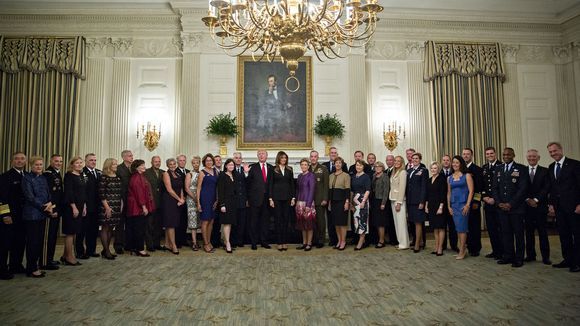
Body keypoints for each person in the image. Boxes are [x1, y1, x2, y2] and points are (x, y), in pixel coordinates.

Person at [547, 142, 580, 273]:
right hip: (559, 208)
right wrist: (551, 204)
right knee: (564, 235)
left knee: (577, 235)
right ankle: (567, 259)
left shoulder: (575, 164)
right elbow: (552, 188)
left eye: (554, 151)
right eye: (550, 152)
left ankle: (577, 262)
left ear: (561, 149)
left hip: (574, 207)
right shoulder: (551, 167)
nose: (553, 153)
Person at [492, 148, 529, 268]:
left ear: (513, 155)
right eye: (504, 154)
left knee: (518, 234)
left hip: (516, 208)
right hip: (502, 208)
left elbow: (522, 189)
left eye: (508, 154)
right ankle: (508, 256)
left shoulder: (521, 168)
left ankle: (519, 258)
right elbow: (494, 188)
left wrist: (511, 204)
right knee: (505, 233)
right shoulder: (498, 168)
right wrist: (499, 203)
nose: (506, 156)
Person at [22, 157, 55, 278]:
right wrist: (43, 207)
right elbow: (29, 197)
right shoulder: (27, 178)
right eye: (36, 164)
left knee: (39, 242)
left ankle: (35, 266)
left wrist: (50, 203)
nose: (39, 166)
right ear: (31, 165)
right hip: (31, 215)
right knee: (32, 243)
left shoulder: (43, 178)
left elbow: (48, 193)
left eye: (41, 164)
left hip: (42, 214)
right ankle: (31, 269)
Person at [0, 152, 27, 276]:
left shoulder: (27, 176)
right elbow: (2, 199)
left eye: (22, 159)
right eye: (17, 159)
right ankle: (2, 269)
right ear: (12, 161)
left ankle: (16, 265)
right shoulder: (5, 177)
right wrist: (5, 215)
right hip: (10, 216)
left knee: (20, 242)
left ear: (25, 161)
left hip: (23, 216)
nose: (19, 161)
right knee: (5, 243)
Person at [524, 149, 551, 265]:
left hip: (540, 207)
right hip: (526, 207)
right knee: (529, 233)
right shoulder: (523, 171)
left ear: (538, 158)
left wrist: (536, 200)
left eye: (534, 157)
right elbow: (520, 188)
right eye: (529, 157)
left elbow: (546, 188)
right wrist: (527, 199)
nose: (531, 158)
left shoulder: (545, 171)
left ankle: (545, 257)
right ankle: (530, 255)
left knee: (542, 233)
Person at [125, 160, 154, 257]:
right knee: (139, 229)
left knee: (136, 228)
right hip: (137, 208)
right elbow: (139, 194)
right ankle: (140, 249)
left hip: (136, 207)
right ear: (137, 167)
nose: (144, 166)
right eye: (142, 165)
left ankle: (134, 249)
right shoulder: (137, 178)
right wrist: (144, 207)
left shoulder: (140, 176)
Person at [448, 155, 475, 260]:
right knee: (458, 229)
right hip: (454, 205)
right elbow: (448, 193)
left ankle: (463, 250)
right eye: (453, 162)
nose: (454, 164)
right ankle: (462, 249)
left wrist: (468, 205)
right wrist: (449, 206)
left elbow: (471, 191)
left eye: (457, 162)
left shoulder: (467, 175)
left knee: (462, 228)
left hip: (463, 205)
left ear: (461, 164)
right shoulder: (449, 177)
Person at [246, 149, 274, 250]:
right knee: (254, 222)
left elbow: (272, 184)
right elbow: (248, 184)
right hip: (255, 199)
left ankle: (264, 241)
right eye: (260, 154)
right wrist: (246, 173)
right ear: (257, 156)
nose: (261, 155)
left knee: (265, 222)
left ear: (267, 156)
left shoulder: (271, 168)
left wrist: (271, 198)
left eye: (263, 154)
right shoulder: (252, 167)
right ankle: (254, 242)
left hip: (267, 200)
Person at [62, 156, 87, 266]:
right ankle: (69, 257)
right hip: (71, 207)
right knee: (70, 233)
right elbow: (69, 192)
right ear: (72, 164)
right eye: (77, 163)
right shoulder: (69, 176)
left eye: (81, 163)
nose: (79, 164)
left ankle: (64, 255)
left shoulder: (81, 175)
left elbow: (83, 192)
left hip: (81, 206)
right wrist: (74, 207)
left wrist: (84, 206)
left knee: (75, 231)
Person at [269, 151, 295, 251]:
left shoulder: (290, 169)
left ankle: (284, 242)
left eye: (285, 158)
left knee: (286, 220)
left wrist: (293, 198)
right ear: (278, 158)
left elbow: (292, 184)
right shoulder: (273, 169)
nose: (284, 159)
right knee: (278, 220)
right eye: (282, 158)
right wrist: (270, 198)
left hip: (287, 198)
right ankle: (279, 242)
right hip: (276, 199)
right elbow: (270, 184)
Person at [41, 154, 63, 270]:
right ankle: (45, 262)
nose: (59, 163)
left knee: (53, 236)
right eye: (56, 161)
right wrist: (52, 209)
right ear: (50, 161)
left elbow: (58, 194)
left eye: (60, 161)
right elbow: (48, 194)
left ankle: (50, 258)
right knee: (47, 238)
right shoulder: (48, 174)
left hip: (56, 210)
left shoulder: (56, 173)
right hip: (50, 210)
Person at [76, 153, 101, 259]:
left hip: (96, 207)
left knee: (94, 230)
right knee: (82, 230)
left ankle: (91, 250)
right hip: (85, 206)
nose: (93, 162)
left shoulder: (99, 172)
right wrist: (84, 204)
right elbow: (81, 191)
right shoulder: (81, 173)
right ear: (85, 161)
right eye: (91, 160)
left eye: (95, 160)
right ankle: (80, 252)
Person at [98, 158, 123, 260]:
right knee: (105, 227)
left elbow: (120, 192)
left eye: (116, 164)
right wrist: (107, 207)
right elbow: (101, 193)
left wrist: (121, 203)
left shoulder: (118, 177)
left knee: (111, 228)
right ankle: (106, 251)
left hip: (116, 205)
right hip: (106, 206)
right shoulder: (104, 177)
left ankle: (105, 249)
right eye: (114, 164)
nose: (116, 166)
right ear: (108, 165)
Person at [481, 147, 502, 259]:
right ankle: (495, 251)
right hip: (487, 203)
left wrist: (495, 198)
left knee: (501, 229)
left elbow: (503, 186)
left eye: (491, 153)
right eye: (487, 154)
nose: (489, 155)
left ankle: (503, 251)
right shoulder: (484, 168)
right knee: (491, 228)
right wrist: (484, 197)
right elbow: (482, 185)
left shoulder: (501, 166)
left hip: (498, 203)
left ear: (495, 153)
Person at [161, 158, 185, 255]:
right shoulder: (166, 174)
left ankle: (167, 244)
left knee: (171, 223)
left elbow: (181, 188)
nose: (172, 165)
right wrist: (179, 199)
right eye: (170, 164)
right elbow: (169, 189)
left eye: (174, 164)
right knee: (171, 224)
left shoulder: (178, 174)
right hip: (169, 201)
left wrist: (182, 199)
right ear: (167, 165)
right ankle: (173, 246)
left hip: (178, 201)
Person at [462, 148, 483, 257]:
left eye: (468, 154)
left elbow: (479, 188)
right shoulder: (460, 169)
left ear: (472, 155)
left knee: (474, 226)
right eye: (464, 154)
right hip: (462, 202)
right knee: (465, 226)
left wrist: (476, 201)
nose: (465, 156)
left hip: (473, 203)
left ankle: (475, 248)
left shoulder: (477, 169)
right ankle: (466, 246)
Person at [322, 146, 345, 246]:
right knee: (330, 219)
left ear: (337, 154)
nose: (333, 154)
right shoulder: (324, 165)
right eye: (331, 153)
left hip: (339, 198)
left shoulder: (343, 165)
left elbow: (345, 180)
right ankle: (333, 240)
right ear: (329, 154)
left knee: (339, 219)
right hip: (328, 196)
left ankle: (339, 240)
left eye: (335, 153)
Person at [197, 153, 219, 253]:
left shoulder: (215, 171)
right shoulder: (202, 172)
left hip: (213, 199)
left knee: (211, 221)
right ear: (204, 162)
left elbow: (218, 187)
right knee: (205, 221)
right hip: (205, 199)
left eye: (210, 160)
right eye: (207, 161)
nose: (209, 162)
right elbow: (198, 188)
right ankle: (205, 244)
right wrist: (198, 202)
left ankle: (209, 242)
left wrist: (217, 199)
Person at [406, 153, 428, 252]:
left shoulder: (423, 170)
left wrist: (422, 201)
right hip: (410, 201)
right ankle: (419, 241)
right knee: (413, 222)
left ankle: (417, 245)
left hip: (418, 201)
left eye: (416, 158)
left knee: (418, 223)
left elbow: (424, 187)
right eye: (413, 158)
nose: (414, 160)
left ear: (420, 159)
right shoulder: (409, 171)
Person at [328, 157, 350, 250]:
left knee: (342, 223)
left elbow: (347, 190)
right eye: (336, 163)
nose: (337, 164)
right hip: (333, 202)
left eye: (339, 163)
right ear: (334, 164)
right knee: (336, 223)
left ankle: (343, 241)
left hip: (342, 201)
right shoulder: (331, 175)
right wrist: (329, 202)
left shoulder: (346, 175)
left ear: (342, 164)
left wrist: (347, 202)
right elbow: (329, 191)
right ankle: (339, 240)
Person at [426, 162, 447, 256]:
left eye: (435, 168)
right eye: (432, 168)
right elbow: (427, 194)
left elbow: (443, 194)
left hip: (440, 206)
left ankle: (440, 248)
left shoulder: (442, 179)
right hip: (431, 206)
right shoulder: (429, 179)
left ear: (438, 169)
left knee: (441, 227)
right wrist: (426, 206)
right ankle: (436, 246)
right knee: (435, 228)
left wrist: (441, 207)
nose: (433, 170)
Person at [216, 159, 238, 253]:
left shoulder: (235, 175)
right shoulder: (222, 175)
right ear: (226, 166)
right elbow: (220, 191)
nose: (231, 166)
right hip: (225, 203)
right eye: (229, 165)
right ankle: (228, 243)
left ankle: (226, 241)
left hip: (233, 203)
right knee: (226, 223)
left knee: (230, 222)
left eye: (232, 165)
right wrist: (222, 205)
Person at [143, 156, 165, 252]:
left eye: (159, 161)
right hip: (150, 203)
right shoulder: (146, 173)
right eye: (155, 161)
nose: (157, 163)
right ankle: (149, 245)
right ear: (151, 162)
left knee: (158, 225)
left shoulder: (163, 173)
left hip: (161, 203)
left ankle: (157, 244)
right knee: (149, 225)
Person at [114, 149, 133, 255]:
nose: (132, 157)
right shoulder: (119, 169)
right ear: (124, 157)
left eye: (132, 155)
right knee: (120, 224)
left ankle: (128, 244)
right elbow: (117, 186)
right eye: (130, 156)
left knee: (130, 223)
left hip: (132, 200)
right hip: (122, 200)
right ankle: (118, 245)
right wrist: (119, 200)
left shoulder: (133, 168)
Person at [309, 150, 329, 248]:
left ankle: (321, 240)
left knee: (320, 221)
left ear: (318, 158)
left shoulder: (323, 169)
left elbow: (326, 185)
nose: (313, 158)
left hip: (319, 199)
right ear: (310, 158)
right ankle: (313, 240)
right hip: (309, 200)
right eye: (312, 156)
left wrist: (325, 198)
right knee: (311, 221)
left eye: (315, 156)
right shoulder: (307, 168)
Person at [296, 158, 316, 251]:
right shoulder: (299, 176)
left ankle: (309, 243)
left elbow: (312, 190)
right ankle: (304, 243)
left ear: (308, 166)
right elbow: (298, 190)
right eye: (302, 164)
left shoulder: (311, 176)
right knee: (302, 224)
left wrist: (308, 205)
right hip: (300, 203)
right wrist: (297, 202)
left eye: (305, 164)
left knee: (309, 224)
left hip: (308, 202)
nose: (303, 166)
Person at [390, 156, 409, 250]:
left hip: (399, 201)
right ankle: (400, 242)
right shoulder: (394, 172)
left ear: (402, 162)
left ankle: (404, 244)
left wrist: (399, 202)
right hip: (393, 199)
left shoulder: (403, 172)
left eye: (399, 161)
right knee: (397, 223)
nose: (396, 162)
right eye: (395, 161)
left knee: (401, 223)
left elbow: (402, 188)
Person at [440, 154, 457, 251]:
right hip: (442, 202)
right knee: (442, 224)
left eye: (447, 160)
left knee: (452, 225)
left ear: (450, 162)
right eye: (444, 160)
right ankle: (443, 245)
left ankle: (454, 245)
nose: (446, 162)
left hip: (452, 202)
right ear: (442, 162)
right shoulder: (438, 172)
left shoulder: (455, 172)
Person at [371, 161, 390, 248]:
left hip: (381, 201)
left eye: (379, 167)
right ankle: (380, 239)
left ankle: (382, 241)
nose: (377, 168)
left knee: (381, 222)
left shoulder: (385, 176)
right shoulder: (374, 176)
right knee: (377, 222)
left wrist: (383, 203)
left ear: (382, 168)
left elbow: (386, 191)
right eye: (376, 167)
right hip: (374, 200)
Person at [232, 152, 248, 248]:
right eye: (236, 158)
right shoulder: (230, 169)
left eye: (239, 158)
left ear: (241, 160)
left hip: (243, 200)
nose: (238, 159)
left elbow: (248, 184)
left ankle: (240, 240)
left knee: (242, 222)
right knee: (234, 222)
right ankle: (233, 241)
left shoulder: (244, 170)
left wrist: (246, 173)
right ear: (233, 159)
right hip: (233, 201)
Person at [184, 156, 201, 251]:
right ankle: (194, 242)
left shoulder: (201, 173)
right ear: (192, 164)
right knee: (193, 220)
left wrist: (199, 199)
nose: (196, 164)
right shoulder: (189, 174)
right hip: (191, 199)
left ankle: (197, 241)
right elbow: (187, 188)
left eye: (197, 163)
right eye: (194, 163)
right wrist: (195, 198)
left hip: (199, 198)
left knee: (199, 220)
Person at [175, 154, 190, 248]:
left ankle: (183, 239)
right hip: (178, 200)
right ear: (177, 162)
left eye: (184, 160)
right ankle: (177, 241)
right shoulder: (174, 172)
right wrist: (181, 197)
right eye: (180, 160)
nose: (182, 162)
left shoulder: (188, 172)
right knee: (178, 221)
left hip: (188, 199)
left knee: (185, 220)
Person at [384, 154, 398, 246]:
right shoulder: (385, 172)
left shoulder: (397, 171)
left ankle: (396, 239)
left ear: (394, 161)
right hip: (387, 200)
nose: (389, 161)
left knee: (395, 221)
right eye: (387, 160)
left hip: (394, 199)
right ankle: (391, 238)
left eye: (391, 160)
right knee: (388, 220)